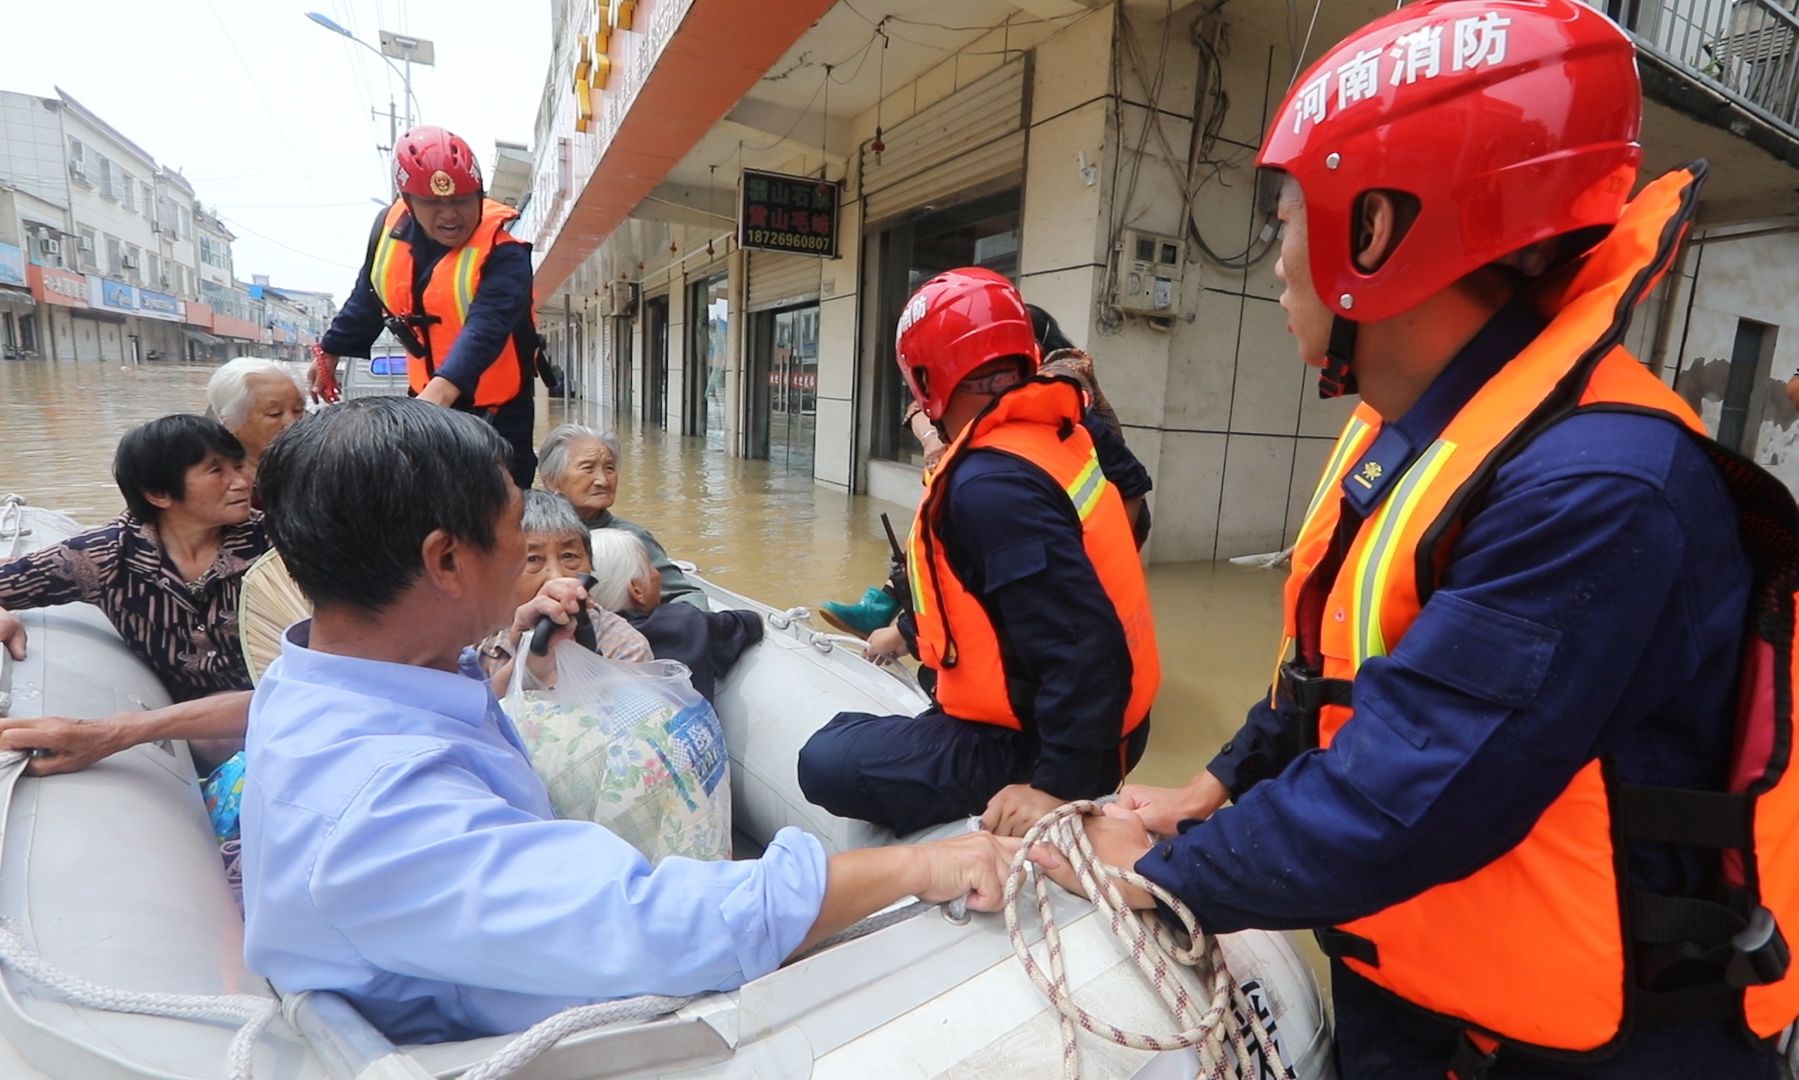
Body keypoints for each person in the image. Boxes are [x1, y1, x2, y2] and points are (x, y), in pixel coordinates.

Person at [1037, 4, 1791, 1077]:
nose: (1271, 264)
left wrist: (1158, 867)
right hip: (1426, 1003)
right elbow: (1329, 678)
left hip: (1579, 1051)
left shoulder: (1597, 489)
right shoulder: (1420, 437)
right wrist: (1213, 786)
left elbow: (1404, 797)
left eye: (1284, 218)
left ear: (1375, 230)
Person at [239, 397, 1015, 1044]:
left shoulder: (329, 681)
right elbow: (653, 925)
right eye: (517, 531)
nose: (534, 558)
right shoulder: (379, 810)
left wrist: (507, 652)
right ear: (445, 562)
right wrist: (926, 866)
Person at [797, 269, 1160, 838]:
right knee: (909, 703)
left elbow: (1085, 646)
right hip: (1117, 724)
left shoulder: (987, 485)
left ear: (923, 380)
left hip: (1046, 746)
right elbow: (997, 606)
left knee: (823, 760)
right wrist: (910, 636)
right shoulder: (1057, 429)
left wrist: (1053, 787)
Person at [821, 303, 1152, 639]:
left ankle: (903, 625)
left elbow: (1131, 481)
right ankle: (896, 612)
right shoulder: (1004, 398)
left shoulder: (1060, 380)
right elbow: (917, 408)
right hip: (1046, 503)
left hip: (1094, 510)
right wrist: (933, 438)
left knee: (1039, 615)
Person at [0, 416, 265, 775]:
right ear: (159, 493)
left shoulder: (276, 547)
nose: (242, 481)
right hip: (187, 733)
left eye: (239, 465)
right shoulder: (107, 555)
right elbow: (11, 580)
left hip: (277, 715)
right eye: (216, 470)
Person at [311, 125, 541, 487]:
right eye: (434, 204)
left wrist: (435, 399)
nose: (450, 215)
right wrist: (331, 350)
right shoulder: (387, 234)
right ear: (408, 200)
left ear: (479, 194)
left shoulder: (506, 251)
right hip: (425, 396)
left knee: (504, 502)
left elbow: (487, 328)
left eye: (463, 200)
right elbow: (368, 296)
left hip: (497, 409)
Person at [474, 490, 652, 684]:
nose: (557, 577)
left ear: (591, 565)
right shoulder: (476, 636)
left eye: (569, 556)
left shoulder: (624, 647)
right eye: (532, 559)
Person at [537, 423, 709, 610]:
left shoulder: (632, 538)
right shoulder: (526, 532)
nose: (603, 480)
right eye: (588, 468)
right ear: (551, 479)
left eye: (609, 468)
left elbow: (687, 596)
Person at [588, 529, 761, 701]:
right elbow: (750, 622)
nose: (657, 574)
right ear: (637, 589)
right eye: (650, 567)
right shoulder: (680, 622)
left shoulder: (575, 639)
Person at [205, 357, 306, 482]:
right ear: (229, 422)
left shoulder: (321, 470)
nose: (292, 423)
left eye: (298, 410)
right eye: (274, 414)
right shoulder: (215, 486)